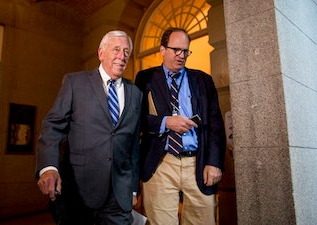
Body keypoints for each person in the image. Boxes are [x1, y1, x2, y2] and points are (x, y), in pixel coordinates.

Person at [36, 30, 142, 225]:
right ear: (101, 53)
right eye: (116, 50)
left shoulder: (135, 93)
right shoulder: (75, 82)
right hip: (79, 191)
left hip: (119, 195)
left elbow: (133, 145)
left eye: (126, 52)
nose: (122, 56)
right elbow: (53, 126)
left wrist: (133, 188)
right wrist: (48, 168)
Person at [134, 27, 226, 225]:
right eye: (176, 49)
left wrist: (214, 162)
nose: (181, 55)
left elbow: (216, 124)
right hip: (161, 163)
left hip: (199, 163)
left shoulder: (203, 80)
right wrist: (165, 122)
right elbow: (136, 120)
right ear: (162, 49)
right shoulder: (145, 78)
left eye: (185, 51)